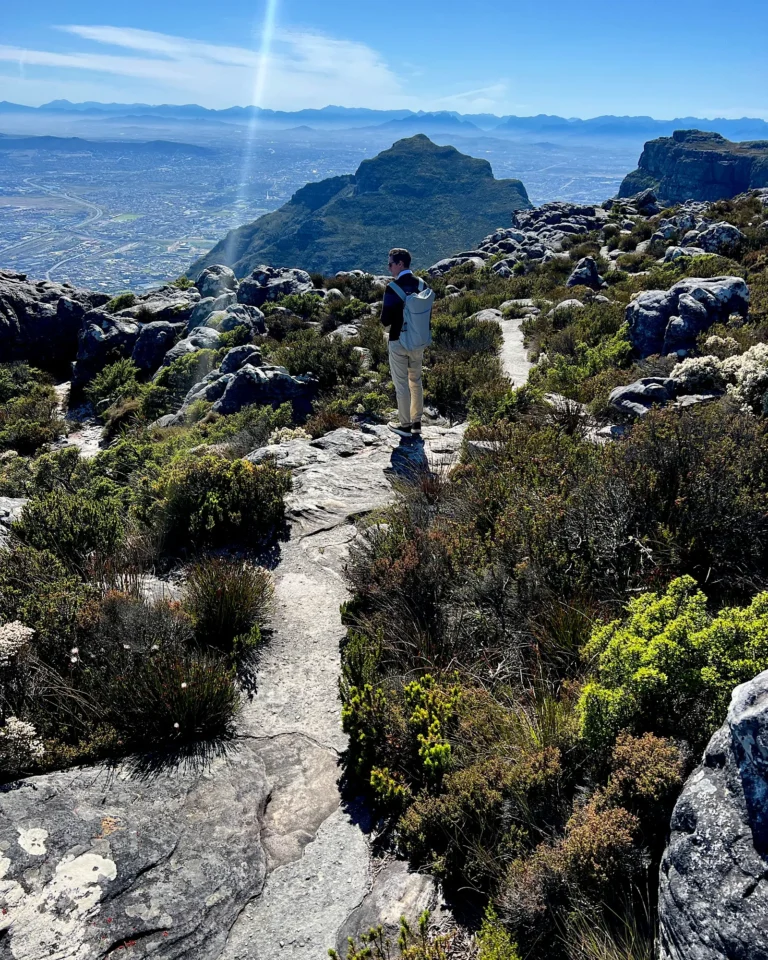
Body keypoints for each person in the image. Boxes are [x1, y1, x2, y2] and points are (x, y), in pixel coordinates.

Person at [380, 247, 431, 438]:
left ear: (400, 264)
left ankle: (405, 425)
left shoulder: (392, 288)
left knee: (401, 384)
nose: (389, 267)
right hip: (418, 342)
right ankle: (417, 423)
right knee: (415, 381)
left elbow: (385, 319)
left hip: (398, 341)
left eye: (391, 264)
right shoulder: (422, 285)